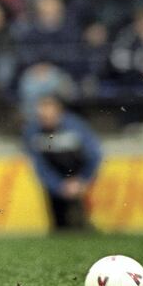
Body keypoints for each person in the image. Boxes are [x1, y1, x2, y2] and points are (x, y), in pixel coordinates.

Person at [21, 94, 103, 231]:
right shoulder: (32, 132)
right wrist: (58, 186)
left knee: (82, 224)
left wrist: (82, 180)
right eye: (41, 116)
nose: (45, 119)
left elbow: (93, 156)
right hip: (55, 182)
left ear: (59, 111)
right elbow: (39, 165)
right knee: (60, 227)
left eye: (48, 115)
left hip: (79, 178)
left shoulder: (76, 127)